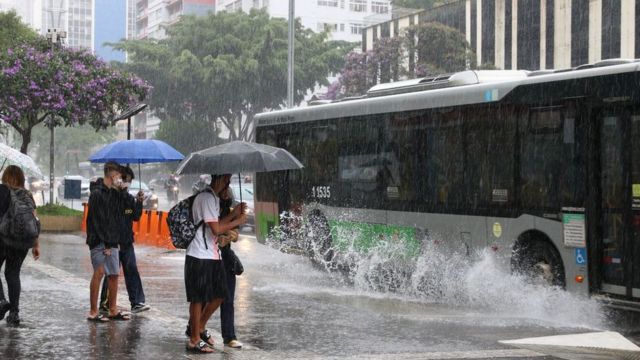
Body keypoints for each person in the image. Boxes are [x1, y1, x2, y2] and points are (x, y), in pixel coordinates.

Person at [184, 174, 246, 353]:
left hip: (212, 254)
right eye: (227, 180)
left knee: (220, 294)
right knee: (198, 298)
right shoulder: (207, 198)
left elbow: (216, 224)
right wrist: (238, 221)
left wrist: (234, 214)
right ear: (219, 180)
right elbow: (216, 229)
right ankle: (194, 339)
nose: (229, 185)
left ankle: (200, 327)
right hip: (199, 254)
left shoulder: (213, 199)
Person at [99, 166, 150, 314]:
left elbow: (135, 216)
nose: (127, 184)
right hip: (113, 242)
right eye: (125, 180)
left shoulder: (128, 197)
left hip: (127, 241)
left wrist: (139, 201)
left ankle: (137, 302)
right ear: (118, 178)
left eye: (129, 182)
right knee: (112, 273)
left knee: (131, 270)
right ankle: (105, 303)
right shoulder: (110, 195)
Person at [86, 162, 130, 322]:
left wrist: (125, 193)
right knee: (99, 273)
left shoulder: (115, 194)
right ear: (112, 175)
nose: (120, 179)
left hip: (113, 241)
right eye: (119, 175)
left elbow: (128, 211)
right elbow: (97, 220)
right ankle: (93, 311)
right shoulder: (97, 194)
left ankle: (113, 309)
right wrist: (105, 244)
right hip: (99, 241)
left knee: (114, 275)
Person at [0, 165, 40, 326]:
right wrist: (36, 244)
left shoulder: (2, 191)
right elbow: (34, 220)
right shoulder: (27, 195)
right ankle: (14, 313)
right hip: (22, 242)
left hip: (3, 238)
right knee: (13, 274)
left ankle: (2, 301)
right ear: (22, 179)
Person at [218, 187, 243, 349]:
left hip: (226, 259)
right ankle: (194, 329)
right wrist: (234, 221)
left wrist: (234, 230)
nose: (227, 193)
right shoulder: (210, 206)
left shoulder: (229, 209)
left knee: (228, 300)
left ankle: (229, 336)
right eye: (224, 189)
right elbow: (215, 234)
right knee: (207, 299)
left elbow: (233, 237)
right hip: (209, 258)